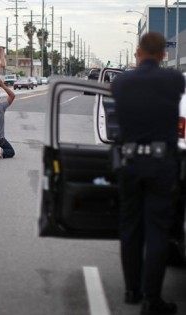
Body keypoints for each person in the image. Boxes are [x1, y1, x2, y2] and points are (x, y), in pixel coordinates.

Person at [112, 32, 185, 315]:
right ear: (163, 55)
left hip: (129, 163)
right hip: (161, 164)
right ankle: (151, 299)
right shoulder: (175, 80)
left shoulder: (120, 83)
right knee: (157, 231)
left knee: (130, 229)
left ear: (138, 52)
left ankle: (132, 290)